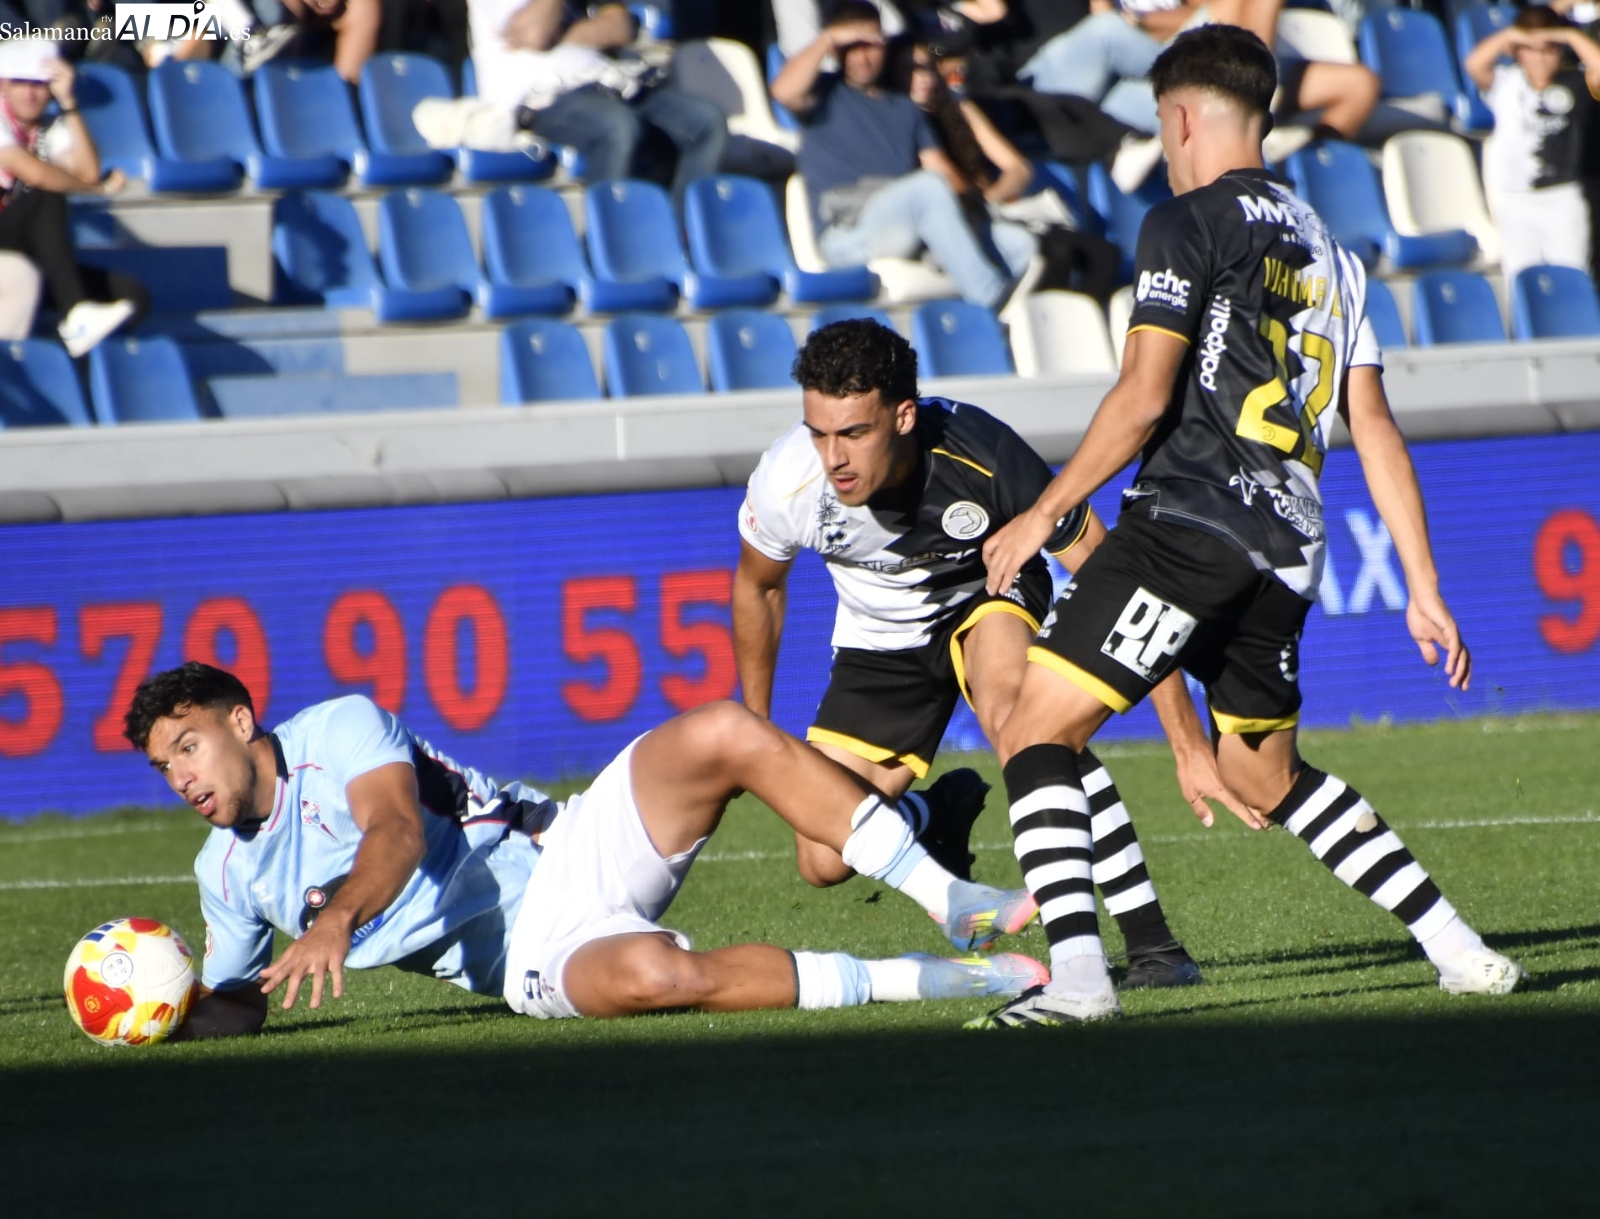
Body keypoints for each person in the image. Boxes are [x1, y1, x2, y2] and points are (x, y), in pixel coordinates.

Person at [973, 24, 1525, 1027]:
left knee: (1031, 728)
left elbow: (1142, 399)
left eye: (1160, 123)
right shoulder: (1334, 251)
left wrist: (1042, 515)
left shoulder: (1183, 222)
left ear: (1181, 117)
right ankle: (1461, 950)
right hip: (1285, 554)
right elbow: (1376, 429)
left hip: (1187, 521)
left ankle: (1082, 984)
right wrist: (1424, 586)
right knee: (1259, 776)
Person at [125, 662, 1048, 1036]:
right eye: (165, 767)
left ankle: (948, 895)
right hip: (533, 958)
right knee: (656, 977)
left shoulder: (340, 725)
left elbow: (396, 831)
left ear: (241, 721)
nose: (183, 777)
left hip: (576, 844)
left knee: (724, 727)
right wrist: (148, 1003)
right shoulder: (226, 874)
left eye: (189, 746)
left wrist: (333, 922)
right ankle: (938, 978)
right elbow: (235, 1003)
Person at [733, 319, 1232, 989]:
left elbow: (1117, 575)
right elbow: (758, 588)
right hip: (879, 641)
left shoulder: (983, 451)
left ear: (903, 414)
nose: (834, 456)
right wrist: (755, 726)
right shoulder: (789, 480)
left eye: (854, 432)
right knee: (823, 858)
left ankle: (1155, 946)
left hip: (987, 595)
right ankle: (935, 815)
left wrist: (1186, 739)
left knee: (1017, 720)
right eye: (819, 431)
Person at [772, 0, 1034, 311]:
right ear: (837, 49)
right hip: (848, 234)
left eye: (872, 45)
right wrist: (828, 38)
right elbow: (783, 92)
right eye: (852, 46)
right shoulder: (821, 95)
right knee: (926, 189)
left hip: (906, 225)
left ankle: (985, 317)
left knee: (1019, 244)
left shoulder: (906, 107)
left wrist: (976, 205)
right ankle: (990, 304)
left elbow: (942, 171)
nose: (863, 56)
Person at [889, 37, 1122, 303]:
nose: (922, 77)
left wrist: (991, 198)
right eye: (910, 69)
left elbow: (1019, 169)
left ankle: (1074, 330)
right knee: (1056, 254)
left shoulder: (957, 106)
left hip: (989, 209)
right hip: (956, 221)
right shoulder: (896, 119)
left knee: (1103, 254)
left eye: (927, 67)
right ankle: (1028, 330)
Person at [469, 0, 727, 210]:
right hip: (540, 98)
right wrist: (582, 31)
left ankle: (678, 238)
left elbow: (619, 28)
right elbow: (536, 34)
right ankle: (604, 240)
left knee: (706, 122)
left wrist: (559, 36)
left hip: (609, 84)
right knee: (617, 127)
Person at [0, 39, 141, 357]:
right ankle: (76, 311)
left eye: (39, 83)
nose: (30, 93)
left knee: (132, 297)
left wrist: (69, 103)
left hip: (30, 250)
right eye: (20, 82)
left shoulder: (48, 128)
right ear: (3, 84)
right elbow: (35, 174)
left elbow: (87, 170)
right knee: (46, 196)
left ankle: (64, 347)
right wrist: (98, 191)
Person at [1466, 5, 1600, 283]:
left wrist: (1567, 35)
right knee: (1522, 281)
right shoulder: (1505, 83)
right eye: (1531, 49)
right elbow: (1474, 64)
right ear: (1518, 52)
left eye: (1549, 49)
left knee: (1573, 278)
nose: (1540, 58)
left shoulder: (1575, 83)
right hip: (1515, 199)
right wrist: (1512, 35)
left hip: (1562, 197)